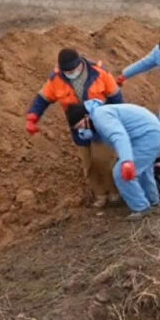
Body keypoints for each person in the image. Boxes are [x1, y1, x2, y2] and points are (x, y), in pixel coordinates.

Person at [25, 48, 125, 208]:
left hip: (101, 124)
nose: (71, 72)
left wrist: (120, 120)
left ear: (80, 63)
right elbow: (42, 98)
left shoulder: (99, 72)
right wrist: (32, 117)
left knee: (104, 160)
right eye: (67, 71)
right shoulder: (56, 78)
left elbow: (116, 97)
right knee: (89, 164)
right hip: (78, 127)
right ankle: (100, 195)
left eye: (73, 69)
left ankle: (114, 192)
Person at [66, 100, 160, 221]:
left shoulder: (100, 117)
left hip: (148, 137)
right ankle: (153, 202)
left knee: (120, 173)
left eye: (80, 126)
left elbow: (119, 136)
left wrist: (126, 161)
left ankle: (141, 208)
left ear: (86, 117)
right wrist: (93, 135)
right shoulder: (98, 116)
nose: (81, 130)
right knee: (144, 171)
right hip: (150, 134)